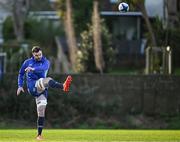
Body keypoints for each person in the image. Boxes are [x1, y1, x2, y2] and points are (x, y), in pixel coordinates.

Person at [16, 46, 72, 140]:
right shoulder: (27, 62)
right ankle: (63, 86)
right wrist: (20, 86)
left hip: (42, 89)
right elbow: (21, 73)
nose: (39, 56)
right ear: (33, 55)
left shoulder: (46, 61)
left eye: (40, 54)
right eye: (36, 55)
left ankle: (39, 135)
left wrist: (33, 69)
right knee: (47, 80)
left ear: (42, 53)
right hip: (33, 86)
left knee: (41, 110)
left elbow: (43, 68)